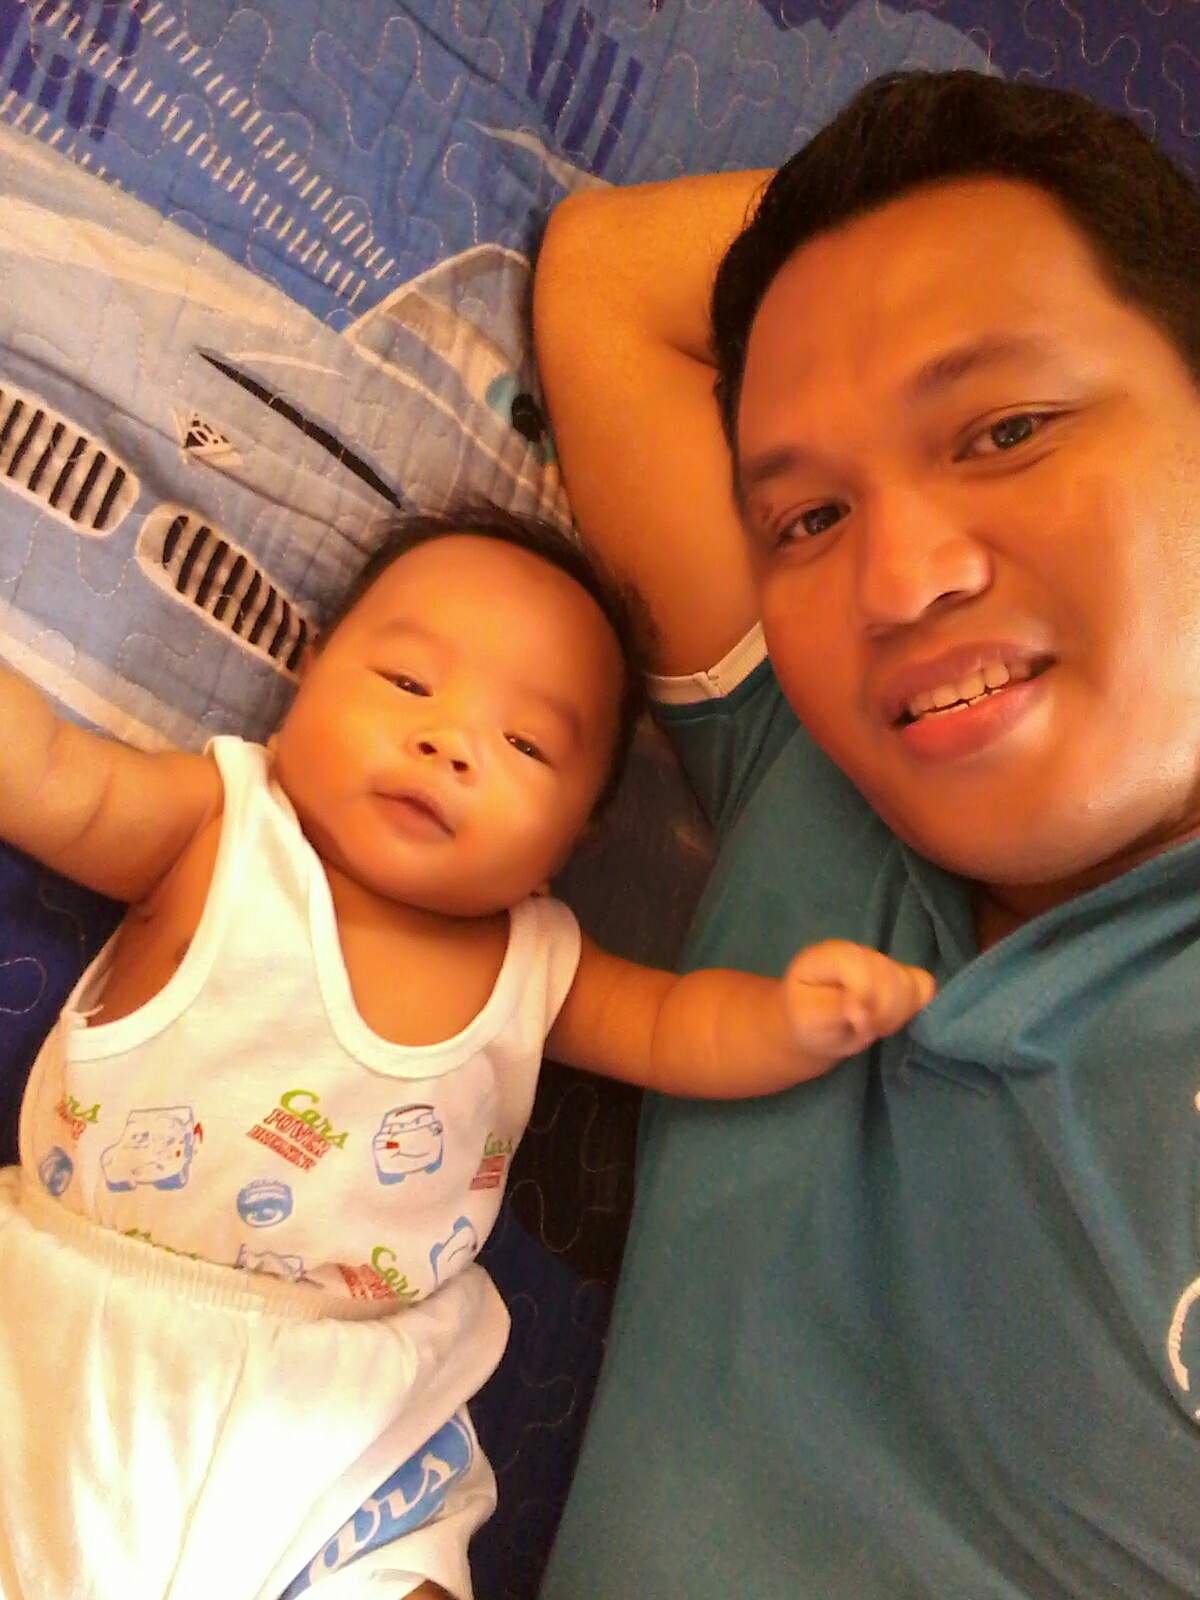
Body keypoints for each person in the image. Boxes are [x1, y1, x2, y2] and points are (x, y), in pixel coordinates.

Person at [0, 502, 933, 1600]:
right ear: (310, 670)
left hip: (350, 1412)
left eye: (525, 744)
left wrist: (791, 1020)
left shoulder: (538, 965)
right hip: (74, 1329)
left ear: (577, 835)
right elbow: (57, 776)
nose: (447, 743)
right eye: (407, 683)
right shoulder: (223, 826)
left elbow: (677, 1026)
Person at [533, 68, 1200, 1600]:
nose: (898, 584)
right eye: (810, 520)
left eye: (1005, 429)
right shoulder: (813, 759)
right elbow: (606, 284)